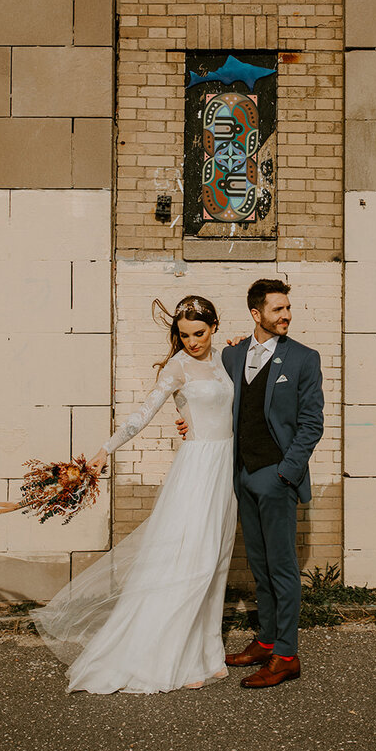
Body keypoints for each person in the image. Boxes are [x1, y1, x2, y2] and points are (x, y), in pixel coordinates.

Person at [31, 295, 237, 695]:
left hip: (224, 467)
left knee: (214, 559)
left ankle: (206, 652)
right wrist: (104, 450)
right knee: (188, 561)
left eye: (199, 333)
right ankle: (169, 656)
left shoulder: (225, 360)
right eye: (184, 335)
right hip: (197, 469)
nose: (192, 342)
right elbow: (143, 413)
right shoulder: (177, 367)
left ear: (213, 327)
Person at [178, 278, 324, 689]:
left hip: (276, 476)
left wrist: (285, 473)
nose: (287, 316)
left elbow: (312, 424)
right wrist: (186, 417)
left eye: (288, 308)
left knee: (282, 569)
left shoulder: (303, 359)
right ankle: (265, 640)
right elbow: (207, 393)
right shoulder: (232, 353)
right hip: (240, 475)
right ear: (256, 314)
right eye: (278, 310)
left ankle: (286, 655)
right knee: (259, 567)